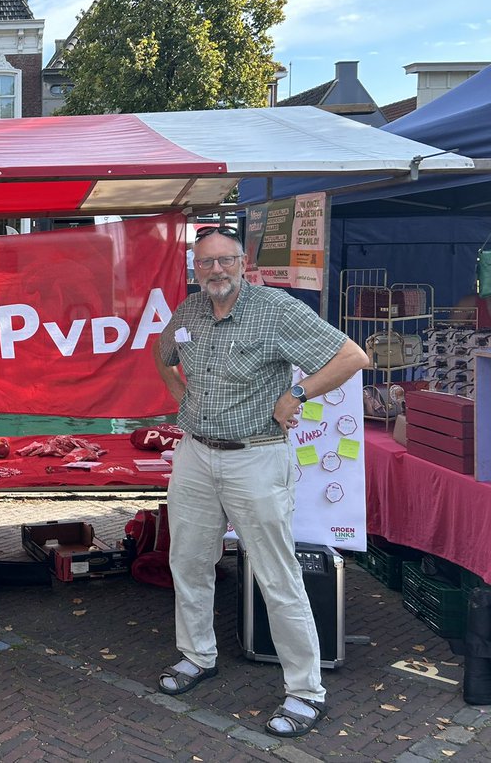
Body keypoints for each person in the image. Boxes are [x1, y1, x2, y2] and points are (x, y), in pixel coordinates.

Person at [151, 225, 368, 739]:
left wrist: (297, 393)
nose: (216, 270)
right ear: (195, 269)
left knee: (276, 575)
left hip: (256, 457)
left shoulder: (277, 310)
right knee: (188, 563)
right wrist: (181, 398)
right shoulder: (188, 313)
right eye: (205, 263)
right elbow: (164, 355)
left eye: (225, 260)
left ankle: (305, 691)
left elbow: (353, 356)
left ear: (243, 263)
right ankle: (197, 656)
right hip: (196, 455)